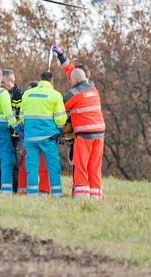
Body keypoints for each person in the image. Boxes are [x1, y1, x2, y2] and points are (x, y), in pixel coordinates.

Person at [52, 45, 106, 200]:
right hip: (100, 134)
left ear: (74, 81)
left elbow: (59, 107)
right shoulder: (93, 89)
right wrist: (61, 56)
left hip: (84, 135)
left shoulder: (73, 93)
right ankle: (96, 196)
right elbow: (73, 73)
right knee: (94, 166)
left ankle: (81, 196)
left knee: (81, 165)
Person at [19, 71, 67, 197]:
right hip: (48, 137)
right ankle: (57, 194)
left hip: (30, 137)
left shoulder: (27, 94)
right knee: (53, 167)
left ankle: (32, 194)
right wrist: (59, 129)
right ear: (52, 81)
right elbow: (61, 118)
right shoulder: (55, 95)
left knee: (32, 168)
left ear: (40, 80)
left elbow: (22, 117)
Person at [17, 78, 51, 195]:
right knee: (25, 166)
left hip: (42, 138)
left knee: (42, 165)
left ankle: (43, 190)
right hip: (29, 139)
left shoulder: (42, 102)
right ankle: (24, 189)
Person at [0, 69, 22, 192]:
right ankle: (2, 187)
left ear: (11, 81)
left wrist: (17, 129)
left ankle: (14, 189)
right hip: (2, 133)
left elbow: (20, 116)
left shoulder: (20, 95)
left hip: (16, 136)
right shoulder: (1, 93)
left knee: (14, 163)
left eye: (3, 82)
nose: (1, 84)